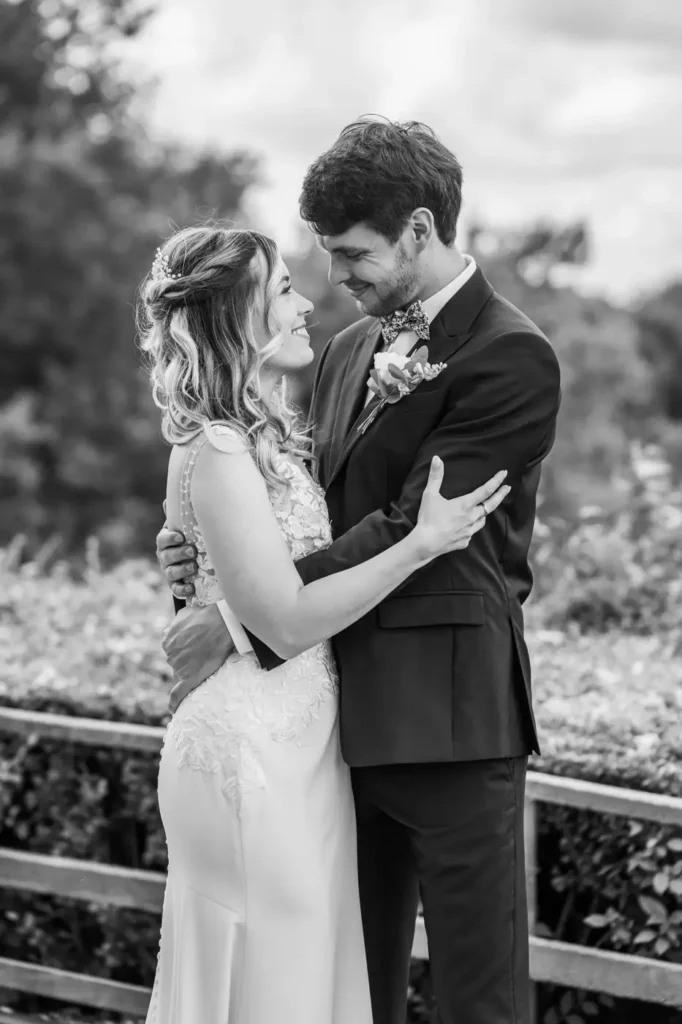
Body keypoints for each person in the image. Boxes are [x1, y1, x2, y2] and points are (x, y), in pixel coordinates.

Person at [157, 118, 561, 1024]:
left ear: (419, 230)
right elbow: (302, 513)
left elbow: (410, 522)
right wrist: (215, 561)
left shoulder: (512, 355)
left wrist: (242, 617)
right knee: (344, 988)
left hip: (449, 722)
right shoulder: (344, 353)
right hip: (324, 728)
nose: (336, 278)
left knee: (477, 996)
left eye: (352, 254)